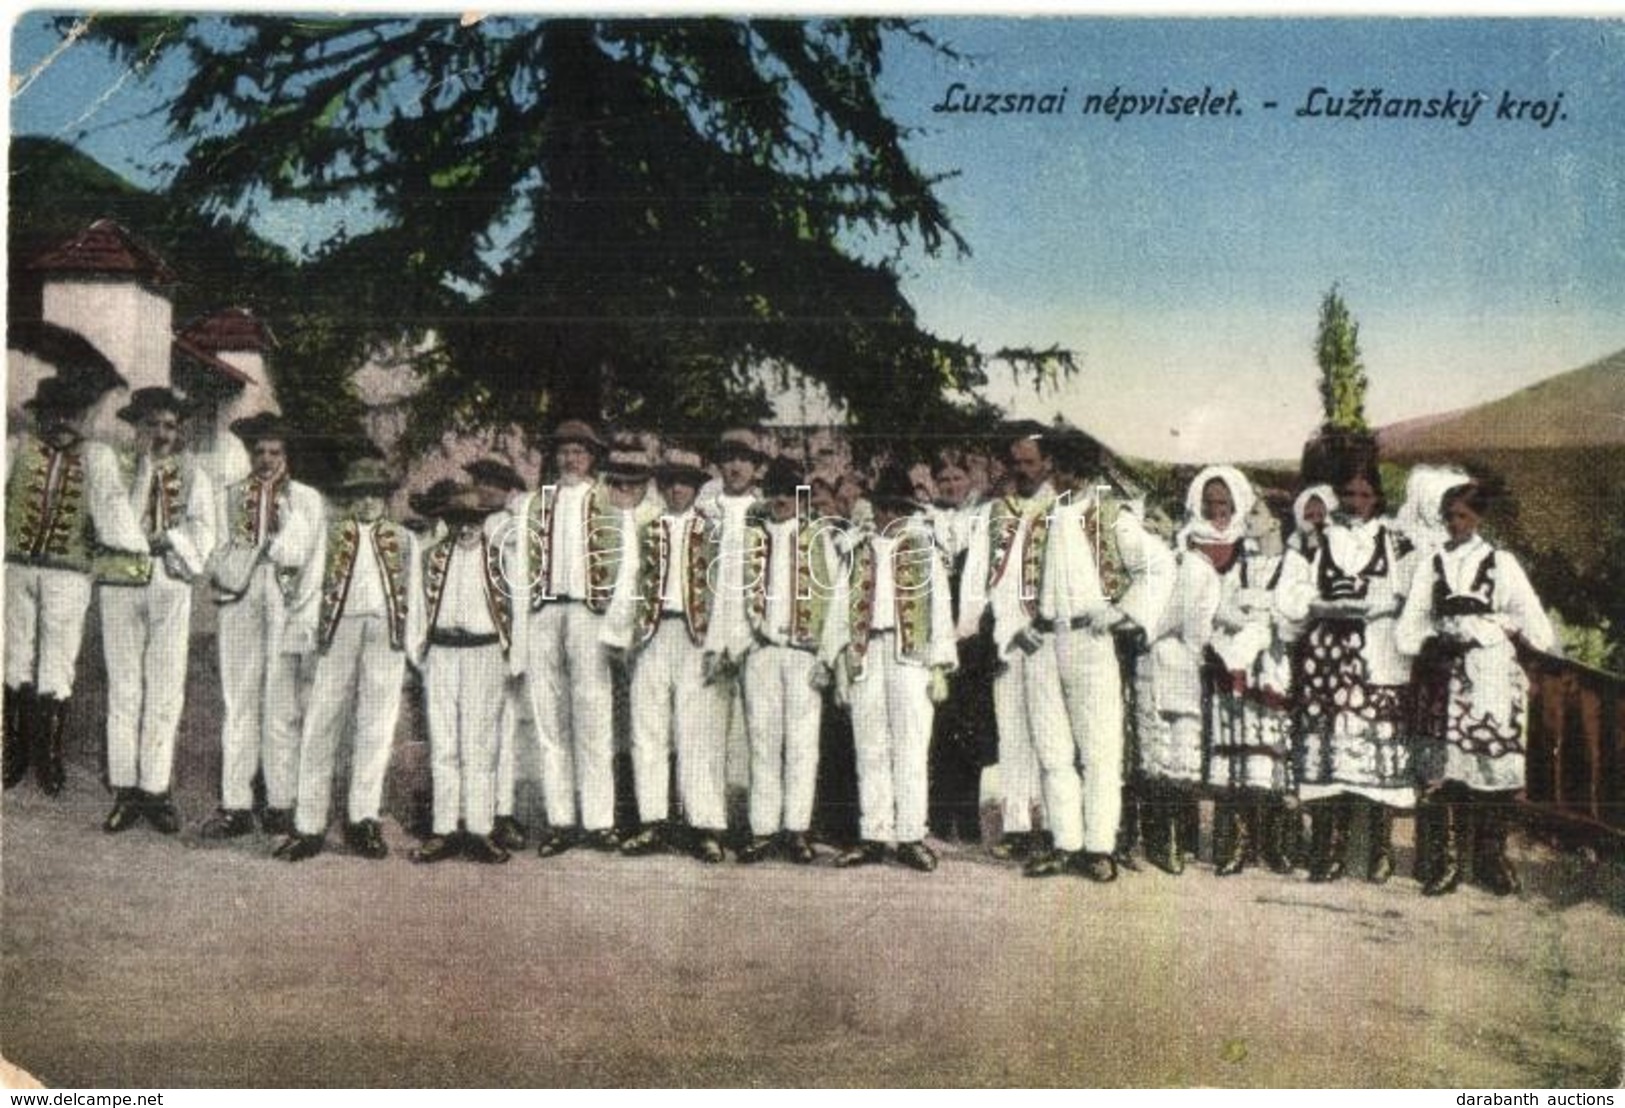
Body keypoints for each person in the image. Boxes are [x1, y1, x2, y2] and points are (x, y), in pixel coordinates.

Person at [1397, 481, 1557, 896]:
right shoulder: (1432, 563)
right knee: (1446, 771)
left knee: (1491, 766)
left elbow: (1529, 614)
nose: (1455, 525)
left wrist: (1516, 634)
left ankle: (1490, 857)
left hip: (1489, 672)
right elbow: (1412, 620)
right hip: (1444, 671)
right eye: (1449, 517)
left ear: (1479, 517)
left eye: (1463, 517)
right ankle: (1444, 860)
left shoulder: (1500, 562)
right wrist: (1426, 639)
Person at [1035, 430, 1173, 882]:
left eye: (1060, 467)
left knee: (1099, 749)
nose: (1054, 475)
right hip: (1044, 639)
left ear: (1081, 470)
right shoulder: (1041, 516)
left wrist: (1120, 613)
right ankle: (1065, 841)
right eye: (1053, 467)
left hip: (1090, 640)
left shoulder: (1111, 516)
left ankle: (1099, 846)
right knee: (1053, 748)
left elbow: (1158, 565)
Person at [5, 373, 149, 797]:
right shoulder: (17, 449)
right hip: (15, 568)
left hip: (69, 574)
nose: (63, 422)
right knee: (14, 657)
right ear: (41, 415)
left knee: (58, 663)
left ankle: (48, 758)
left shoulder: (96, 458)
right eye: (54, 413)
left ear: (81, 418)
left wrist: (131, 544)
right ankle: (12, 752)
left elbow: (112, 511)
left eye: (71, 414)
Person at [1278, 462, 1418, 884]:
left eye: (1365, 496)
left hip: (1376, 656)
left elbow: (1414, 594)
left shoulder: (1395, 541)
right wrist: (1318, 606)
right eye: (1351, 496)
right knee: (1328, 756)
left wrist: (1384, 606)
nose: (1357, 504)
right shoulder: (1317, 539)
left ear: (1377, 499)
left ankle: (1378, 850)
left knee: (1378, 760)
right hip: (1328, 660)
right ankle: (1328, 852)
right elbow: (1293, 590)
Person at [275, 457, 421, 862]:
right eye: (359, 494)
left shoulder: (405, 539)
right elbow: (310, 585)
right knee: (322, 720)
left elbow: (417, 597)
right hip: (338, 631)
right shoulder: (333, 534)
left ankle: (363, 818)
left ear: (385, 499)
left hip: (384, 636)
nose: (368, 502)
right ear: (349, 499)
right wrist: (306, 629)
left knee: (376, 726)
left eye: (375, 494)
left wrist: (412, 646)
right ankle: (308, 824)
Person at [602, 446, 730, 862]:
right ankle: (652, 821)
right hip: (654, 635)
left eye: (685, 482)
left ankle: (704, 825)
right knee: (648, 728)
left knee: (698, 732)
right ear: (661, 486)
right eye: (670, 482)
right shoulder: (648, 529)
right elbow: (629, 581)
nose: (677, 489)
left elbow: (727, 592)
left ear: (696, 488)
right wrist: (619, 638)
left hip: (698, 637)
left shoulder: (714, 531)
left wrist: (721, 644)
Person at [201, 412, 325, 839]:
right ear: (248, 453)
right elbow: (212, 551)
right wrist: (234, 569)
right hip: (241, 596)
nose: (267, 459)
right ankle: (236, 803)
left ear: (286, 454)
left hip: (285, 599)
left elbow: (314, 560)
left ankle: (279, 802)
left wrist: (307, 614)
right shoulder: (228, 496)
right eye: (259, 451)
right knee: (239, 700)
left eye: (275, 451)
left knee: (281, 702)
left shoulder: (306, 499)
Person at [99, 387, 217, 834]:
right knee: (125, 687)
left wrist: (173, 540)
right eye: (152, 424)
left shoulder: (194, 475)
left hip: (169, 580)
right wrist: (144, 470)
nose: (162, 434)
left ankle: (155, 789)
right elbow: (114, 524)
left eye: (170, 425)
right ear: (137, 427)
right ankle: (125, 791)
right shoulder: (115, 467)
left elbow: (204, 534)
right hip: (120, 581)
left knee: (165, 687)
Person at [515, 420, 636, 856]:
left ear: (592, 458)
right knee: (550, 720)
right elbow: (517, 572)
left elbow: (628, 572)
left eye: (579, 452)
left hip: (589, 615)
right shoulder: (532, 505)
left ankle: (600, 821)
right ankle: (561, 820)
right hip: (545, 613)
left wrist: (616, 630)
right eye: (564, 451)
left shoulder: (610, 504)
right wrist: (521, 628)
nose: (570, 459)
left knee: (593, 716)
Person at [829, 465, 954, 872]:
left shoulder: (924, 551)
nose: (890, 516)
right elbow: (837, 610)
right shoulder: (857, 550)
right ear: (874, 508)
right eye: (884, 507)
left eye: (898, 507)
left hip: (910, 655)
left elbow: (940, 610)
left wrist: (938, 666)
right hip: (867, 650)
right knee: (871, 745)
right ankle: (874, 834)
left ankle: (911, 834)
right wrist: (839, 662)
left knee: (911, 746)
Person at [1139, 466, 1258, 875]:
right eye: (1209, 504)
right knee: (1177, 749)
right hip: (1186, 657)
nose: (1216, 511)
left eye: (1223, 504)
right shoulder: (1183, 544)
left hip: (1233, 657)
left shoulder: (1251, 547)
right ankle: (1174, 838)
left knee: (1231, 751)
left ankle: (1233, 845)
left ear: (1237, 503)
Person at [736, 457, 844, 864]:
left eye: (789, 492)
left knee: (801, 745)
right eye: (774, 492)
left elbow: (836, 602)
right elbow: (736, 599)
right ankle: (763, 829)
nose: (781, 499)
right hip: (762, 651)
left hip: (802, 653)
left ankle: (797, 829)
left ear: (801, 497)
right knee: (763, 743)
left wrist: (827, 657)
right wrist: (740, 646)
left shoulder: (818, 539)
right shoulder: (753, 540)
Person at [956, 432, 1057, 865]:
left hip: (1051, 638)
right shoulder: (995, 514)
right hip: (1005, 638)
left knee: (1052, 736)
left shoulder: (1064, 510)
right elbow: (976, 576)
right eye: (1014, 461)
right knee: (1013, 733)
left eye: (1030, 461)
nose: (1021, 469)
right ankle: (1017, 826)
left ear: (1048, 462)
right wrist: (971, 631)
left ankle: (1054, 825)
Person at [410, 481, 523, 863]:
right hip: (442, 652)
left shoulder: (500, 560)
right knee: (444, 744)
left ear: (484, 520)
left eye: (474, 519)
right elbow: (416, 612)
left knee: (479, 745)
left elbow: (517, 611)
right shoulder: (431, 558)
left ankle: (479, 829)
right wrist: (420, 656)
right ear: (448, 521)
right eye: (458, 519)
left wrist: (513, 658)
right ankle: (443, 830)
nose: (466, 527)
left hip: (485, 652)